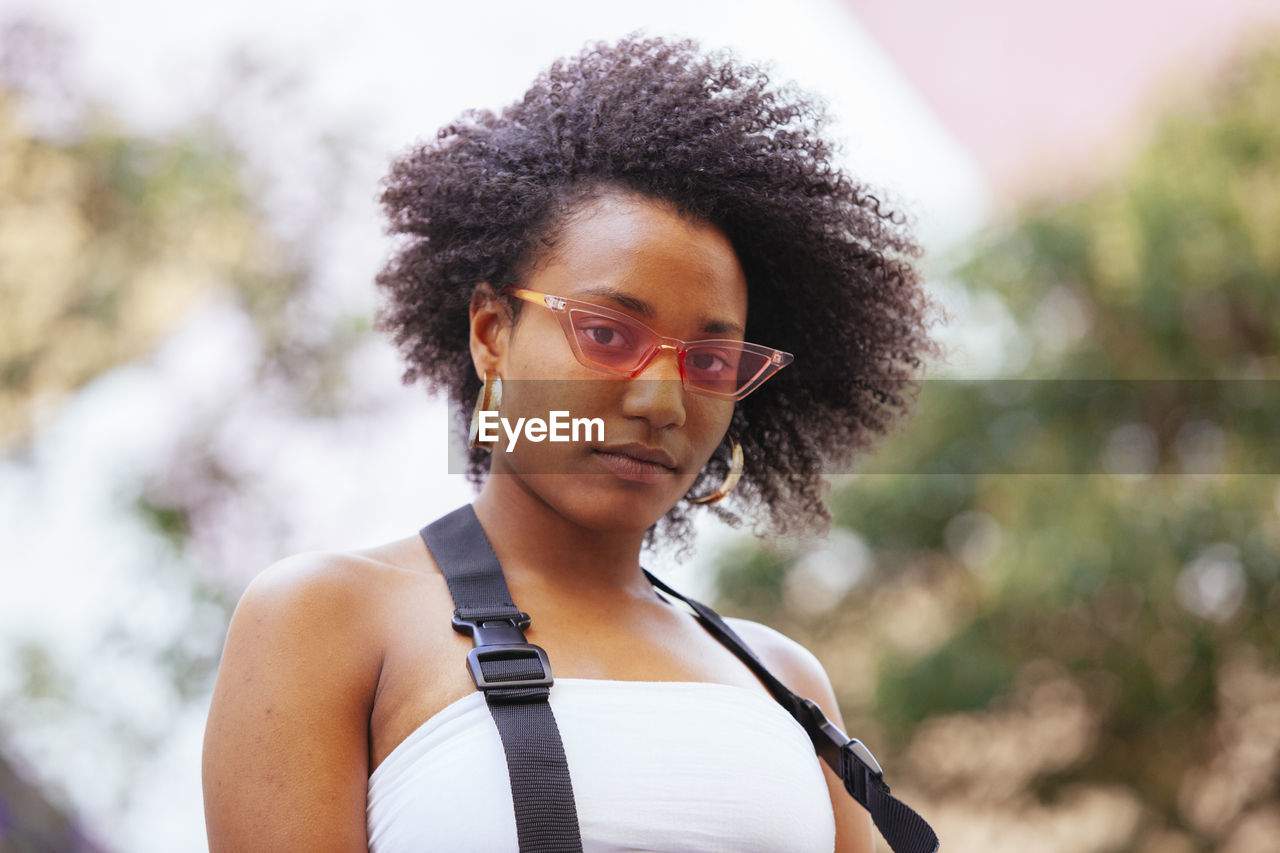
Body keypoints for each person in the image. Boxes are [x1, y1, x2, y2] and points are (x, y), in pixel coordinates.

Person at [203, 35, 938, 853]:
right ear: (492, 333)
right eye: (606, 332)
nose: (662, 400)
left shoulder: (788, 685)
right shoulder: (327, 618)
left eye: (711, 360)